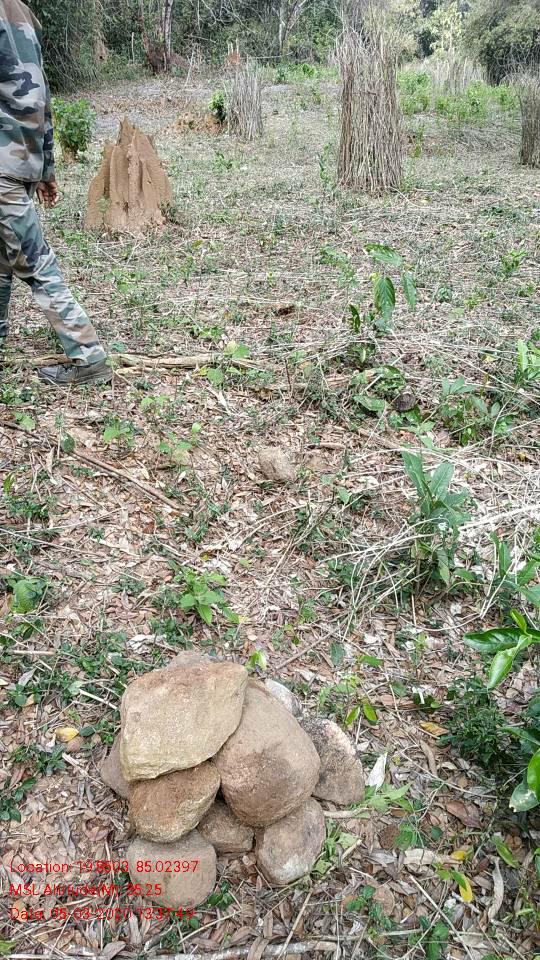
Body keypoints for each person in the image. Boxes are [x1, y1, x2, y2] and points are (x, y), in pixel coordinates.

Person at [0, 0, 111, 386]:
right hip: (23, 160)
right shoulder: (22, 13)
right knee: (3, 258)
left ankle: (89, 357)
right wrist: (46, 166)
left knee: (35, 262)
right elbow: (42, 94)